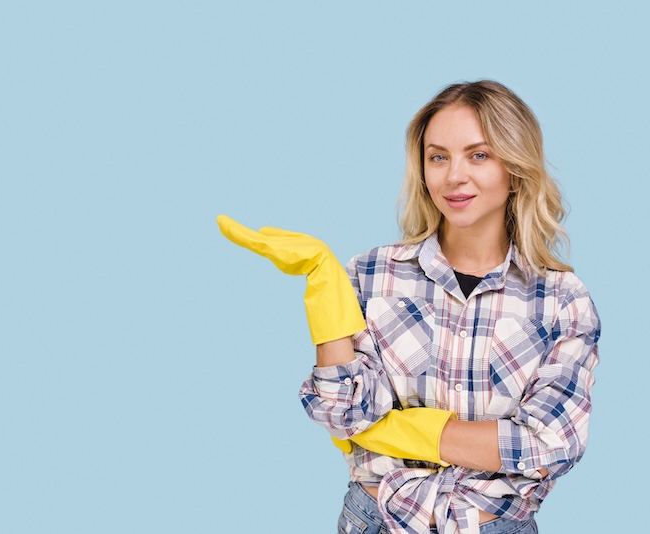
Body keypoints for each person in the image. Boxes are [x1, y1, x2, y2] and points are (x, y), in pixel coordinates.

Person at [216, 80, 600, 534]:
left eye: (478, 155)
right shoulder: (372, 275)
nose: (454, 176)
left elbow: (550, 444)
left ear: (514, 167)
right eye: (438, 156)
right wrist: (324, 284)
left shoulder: (561, 301)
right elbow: (343, 411)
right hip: (374, 520)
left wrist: (407, 430)